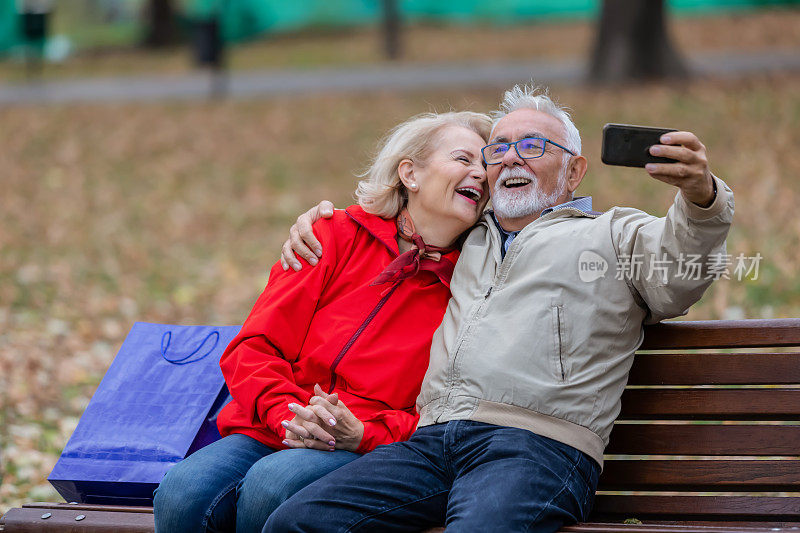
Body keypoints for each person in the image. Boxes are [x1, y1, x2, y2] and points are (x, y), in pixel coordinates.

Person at [265, 84, 734, 532]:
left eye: (532, 146)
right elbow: (403, 219)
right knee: (299, 521)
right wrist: (320, 220)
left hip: (537, 447)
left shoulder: (611, 236)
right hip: (431, 443)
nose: (510, 156)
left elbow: (680, 271)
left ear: (573, 172)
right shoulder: (467, 238)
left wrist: (701, 197)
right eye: (499, 147)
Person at [152, 110, 492, 532]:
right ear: (410, 173)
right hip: (273, 422)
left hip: (364, 444)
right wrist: (288, 413)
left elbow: (441, 413)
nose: (480, 172)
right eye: (464, 159)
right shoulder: (333, 235)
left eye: (486, 165)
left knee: (271, 487)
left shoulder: (475, 283)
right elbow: (254, 347)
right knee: (182, 492)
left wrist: (362, 432)